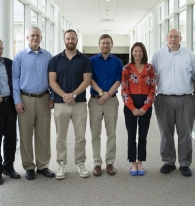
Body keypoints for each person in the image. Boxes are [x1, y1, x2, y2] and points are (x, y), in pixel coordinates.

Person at [151, 28, 195, 177]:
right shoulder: (157, 55)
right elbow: (150, 76)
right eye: (170, 36)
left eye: (176, 36)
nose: (173, 39)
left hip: (185, 98)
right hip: (163, 99)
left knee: (185, 133)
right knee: (166, 133)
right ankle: (168, 161)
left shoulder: (189, 55)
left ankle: (185, 163)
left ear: (181, 38)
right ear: (166, 38)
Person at [48, 29, 92, 180]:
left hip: (79, 103)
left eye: (73, 38)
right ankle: (61, 163)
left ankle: (80, 163)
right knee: (61, 137)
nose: (70, 41)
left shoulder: (84, 60)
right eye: (68, 38)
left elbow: (86, 80)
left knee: (81, 137)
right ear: (64, 40)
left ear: (77, 40)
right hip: (60, 104)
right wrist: (65, 96)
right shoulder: (55, 60)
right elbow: (52, 81)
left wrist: (73, 95)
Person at [12, 27, 55, 180]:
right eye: (32, 36)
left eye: (37, 36)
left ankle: (43, 165)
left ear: (41, 38)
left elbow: (52, 79)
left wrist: (53, 97)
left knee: (43, 134)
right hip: (25, 99)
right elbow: (15, 80)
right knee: (25, 134)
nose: (35, 38)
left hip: (44, 98)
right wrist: (17, 101)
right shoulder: (19, 56)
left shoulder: (48, 56)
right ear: (27, 37)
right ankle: (29, 166)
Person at [88, 34, 123, 176]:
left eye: (108, 43)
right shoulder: (90, 61)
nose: (105, 45)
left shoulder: (118, 62)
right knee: (95, 134)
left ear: (112, 45)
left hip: (112, 100)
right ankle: (97, 163)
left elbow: (118, 80)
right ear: (99, 44)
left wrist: (107, 95)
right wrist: (101, 93)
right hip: (95, 100)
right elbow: (89, 79)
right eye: (103, 43)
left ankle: (110, 163)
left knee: (111, 134)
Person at [121, 42, 156, 176]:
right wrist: (132, 108)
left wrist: (146, 106)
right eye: (135, 51)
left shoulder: (150, 68)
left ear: (144, 53)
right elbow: (124, 89)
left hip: (146, 103)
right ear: (132, 53)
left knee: (143, 136)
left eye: (140, 51)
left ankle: (140, 162)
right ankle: (132, 163)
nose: (138, 53)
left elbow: (153, 88)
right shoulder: (126, 68)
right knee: (131, 136)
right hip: (130, 104)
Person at [0, 40, 20, 185]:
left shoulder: (9, 62)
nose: (0, 51)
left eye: (1, 48)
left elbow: (15, 80)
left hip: (10, 104)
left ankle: (8, 166)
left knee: (11, 138)